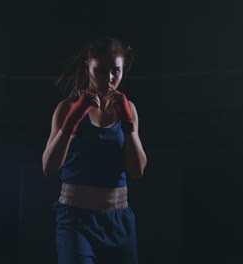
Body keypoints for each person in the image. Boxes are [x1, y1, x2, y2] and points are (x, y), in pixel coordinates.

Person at [42, 36, 147, 264]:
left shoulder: (128, 110)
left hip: (119, 219)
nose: (109, 79)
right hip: (75, 220)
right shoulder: (67, 108)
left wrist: (128, 125)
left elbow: (137, 171)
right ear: (87, 67)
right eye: (100, 70)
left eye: (115, 71)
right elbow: (48, 168)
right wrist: (71, 122)